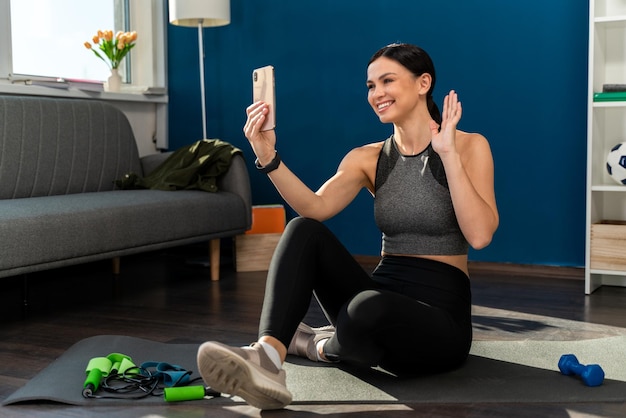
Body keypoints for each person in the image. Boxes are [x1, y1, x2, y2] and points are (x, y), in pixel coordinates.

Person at [196, 43, 499, 410]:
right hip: (378, 293)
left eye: (388, 80)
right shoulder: (368, 158)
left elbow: (480, 235)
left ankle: (313, 345)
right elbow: (314, 207)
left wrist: (447, 154)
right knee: (303, 230)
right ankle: (268, 357)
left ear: (423, 83)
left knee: (368, 310)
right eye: (371, 86)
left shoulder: (469, 147)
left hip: (439, 316)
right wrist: (266, 154)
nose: (377, 93)